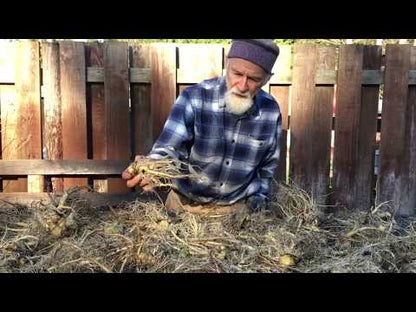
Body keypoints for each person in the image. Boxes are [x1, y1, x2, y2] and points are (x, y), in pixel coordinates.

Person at [122, 39, 282, 215]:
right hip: (185, 207)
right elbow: (169, 147)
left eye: (253, 79)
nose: (242, 85)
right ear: (227, 63)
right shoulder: (195, 98)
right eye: (237, 73)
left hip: (237, 212)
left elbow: (266, 169)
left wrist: (258, 204)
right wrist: (153, 167)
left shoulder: (270, 111)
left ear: (267, 79)